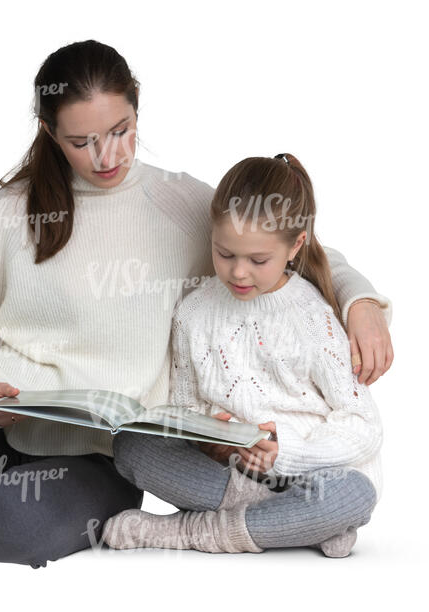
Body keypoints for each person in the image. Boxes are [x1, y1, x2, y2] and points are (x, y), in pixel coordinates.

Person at [0, 40, 392, 572]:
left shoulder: (181, 205)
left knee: (7, 529)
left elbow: (284, 243)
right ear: (50, 133)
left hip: (102, 453)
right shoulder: (10, 212)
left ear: (138, 110)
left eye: (121, 131)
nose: (108, 156)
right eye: (82, 142)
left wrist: (360, 300)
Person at [102, 153, 388, 558]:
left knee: (352, 495)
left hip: (307, 473)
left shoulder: (314, 318)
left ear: (296, 246)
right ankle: (288, 526)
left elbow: (363, 427)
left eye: (258, 260)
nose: (238, 273)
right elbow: (186, 407)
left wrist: (285, 452)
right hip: (229, 476)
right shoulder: (193, 313)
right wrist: (212, 442)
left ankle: (191, 531)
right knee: (133, 446)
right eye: (224, 254)